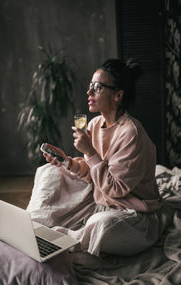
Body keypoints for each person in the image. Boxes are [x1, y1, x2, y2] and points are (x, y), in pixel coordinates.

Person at [27, 58, 172, 257]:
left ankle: (69, 239)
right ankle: (31, 223)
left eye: (97, 87)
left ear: (117, 95)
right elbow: (92, 174)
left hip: (133, 214)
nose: (89, 92)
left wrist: (91, 152)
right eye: (90, 86)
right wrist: (67, 162)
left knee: (102, 225)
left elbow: (115, 188)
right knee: (49, 171)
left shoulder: (131, 133)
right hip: (101, 201)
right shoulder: (95, 124)